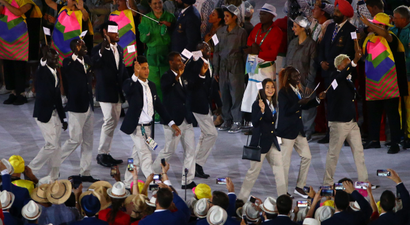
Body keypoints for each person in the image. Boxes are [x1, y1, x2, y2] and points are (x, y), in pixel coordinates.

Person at [120, 55, 181, 187]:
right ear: (137, 70)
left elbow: (159, 106)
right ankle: (154, 182)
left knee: (135, 158)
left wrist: (172, 123)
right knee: (146, 156)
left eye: (147, 68)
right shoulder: (132, 84)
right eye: (143, 68)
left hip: (148, 129)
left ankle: (126, 183)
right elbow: (127, 89)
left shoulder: (152, 86)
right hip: (136, 128)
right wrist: (135, 75)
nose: (147, 71)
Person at [360, 12, 408, 154]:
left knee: (392, 114)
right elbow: (364, 56)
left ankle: (395, 143)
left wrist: (370, 25)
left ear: (383, 26)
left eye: (376, 25)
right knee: (374, 113)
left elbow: (385, 35)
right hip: (374, 83)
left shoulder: (390, 37)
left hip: (390, 84)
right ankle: (374, 140)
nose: (372, 28)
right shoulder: (370, 39)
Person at [277, 66, 325, 198]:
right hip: (286, 132)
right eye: (295, 76)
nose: (299, 78)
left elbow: (303, 105)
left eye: (299, 75)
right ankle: (282, 193)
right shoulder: (283, 92)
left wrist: (317, 100)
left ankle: (299, 186)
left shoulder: (296, 90)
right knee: (285, 164)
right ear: (288, 78)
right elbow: (286, 111)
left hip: (298, 130)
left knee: (307, 157)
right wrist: (299, 103)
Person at [323, 52, 369, 186]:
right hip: (338, 124)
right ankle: (327, 182)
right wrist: (354, 62)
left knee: (359, 152)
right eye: (347, 62)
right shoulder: (334, 77)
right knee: (333, 154)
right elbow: (341, 76)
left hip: (351, 122)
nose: (349, 64)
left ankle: (363, 181)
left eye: (350, 62)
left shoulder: (347, 79)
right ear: (339, 65)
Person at [153, 51, 196, 189]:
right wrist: (178, 75)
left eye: (181, 60)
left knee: (190, 150)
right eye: (178, 60)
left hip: (186, 119)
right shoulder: (166, 76)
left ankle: (187, 180)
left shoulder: (184, 76)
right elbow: (166, 88)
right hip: (172, 121)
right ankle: (153, 173)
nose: (181, 63)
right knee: (168, 151)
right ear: (171, 62)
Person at [238, 78, 287, 200]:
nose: (271, 89)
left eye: (272, 87)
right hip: (260, 144)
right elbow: (254, 123)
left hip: (272, 142)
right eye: (267, 87)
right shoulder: (257, 104)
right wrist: (262, 111)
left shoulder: (273, 104)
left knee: (279, 171)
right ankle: (241, 199)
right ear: (262, 89)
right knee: (252, 173)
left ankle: (283, 198)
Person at [317, 0, 356, 144]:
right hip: (328, 74)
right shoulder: (331, 27)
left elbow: (349, 53)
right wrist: (322, 62)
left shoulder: (351, 30)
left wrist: (335, 65)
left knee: (343, 104)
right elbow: (322, 47)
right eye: (335, 11)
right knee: (330, 104)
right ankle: (331, 133)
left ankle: (346, 136)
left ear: (345, 14)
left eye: (338, 12)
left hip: (342, 75)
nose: (334, 14)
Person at [60, 39, 98, 183]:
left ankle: (85, 172)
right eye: (82, 45)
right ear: (75, 48)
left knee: (88, 140)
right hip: (76, 106)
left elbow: (94, 65)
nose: (85, 47)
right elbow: (67, 70)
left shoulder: (87, 59)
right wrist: (75, 55)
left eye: (85, 44)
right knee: (75, 139)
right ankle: (55, 163)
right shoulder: (68, 61)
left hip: (88, 104)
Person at [28, 46, 67, 181]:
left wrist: (63, 118)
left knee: (57, 147)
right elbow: (41, 67)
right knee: (51, 145)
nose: (57, 61)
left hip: (55, 114)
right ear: (46, 59)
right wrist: (43, 59)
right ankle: (31, 169)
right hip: (44, 114)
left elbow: (57, 98)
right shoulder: (42, 71)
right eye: (54, 59)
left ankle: (53, 176)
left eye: (57, 59)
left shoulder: (54, 71)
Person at [93, 21, 128, 167]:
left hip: (117, 91)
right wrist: (104, 47)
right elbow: (96, 64)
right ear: (105, 32)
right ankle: (101, 154)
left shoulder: (119, 48)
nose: (117, 33)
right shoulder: (98, 49)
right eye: (113, 31)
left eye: (117, 30)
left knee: (113, 122)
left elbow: (121, 69)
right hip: (105, 91)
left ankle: (106, 153)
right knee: (109, 121)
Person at [186, 42, 221, 179]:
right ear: (198, 51)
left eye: (208, 48)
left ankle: (194, 164)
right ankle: (198, 164)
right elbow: (191, 85)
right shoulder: (194, 64)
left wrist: (219, 104)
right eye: (204, 48)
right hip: (197, 104)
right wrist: (201, 75)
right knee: (212, 134)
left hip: (205, 105)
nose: (207, 50)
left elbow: (211, 86)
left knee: (205, 135)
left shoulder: (208, 62)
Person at [241, 4, 283, 117]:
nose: (260, 16)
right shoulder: (257, 27)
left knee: (266, 93)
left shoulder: (276, 31)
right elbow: (250, 41)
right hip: (253, 67)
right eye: (260, 14)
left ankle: (266, 119)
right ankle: (253, 120)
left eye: (263, 14)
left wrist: (257, 51)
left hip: (266, 69)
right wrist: (253, 47)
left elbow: (273, 54)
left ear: (271, 16)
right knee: (252, 92)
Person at [0, 0, 41, 105]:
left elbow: (18, 12)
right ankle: (13, 92)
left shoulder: (27, 2)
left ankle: (21, 94)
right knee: (8, 66)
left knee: (19, 67)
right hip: (6, 37)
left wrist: (5, 3)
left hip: (20, 39)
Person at [214, 4, 247, 133]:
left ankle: (237, 120)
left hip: (236, 65)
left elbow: (244, 52)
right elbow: (216, 51)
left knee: (236, 94)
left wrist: (246, 71)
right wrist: (216, 69)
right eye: (225, 16)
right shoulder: (219, 32)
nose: (225, 18)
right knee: (225, 94)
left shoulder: (241, 33)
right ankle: (227, 119)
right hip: (222, 66)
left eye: (228, 16)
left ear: (235, 17)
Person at [286, 16, 318, 141]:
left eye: (295, 26)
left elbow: (313, 66)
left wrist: (310, 83)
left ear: (303, 28)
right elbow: (287, 62)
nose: (293, 29)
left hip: (305, 81)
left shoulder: (311, 45)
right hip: (291, 82)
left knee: (307, 108)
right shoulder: (293, 43)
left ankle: (307, 131)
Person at [138, 0, 176, 102]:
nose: (158, 5)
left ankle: (167, 112)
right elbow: (142, 39)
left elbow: (176, 37)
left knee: (167, 85)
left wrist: (168, 29)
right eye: (154, 3)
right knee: (154, 86)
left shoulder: (170, 17)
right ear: (150, 5)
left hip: (166, 55)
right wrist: (147, 34)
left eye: (159, 2)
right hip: (152, 57)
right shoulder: (146, 19)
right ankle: (157, 113)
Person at [46, 0, 94, 64]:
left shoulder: (82, 12)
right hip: (59, 45)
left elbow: (85, 17)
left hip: (74, 48)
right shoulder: (64, 8)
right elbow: (49, 2)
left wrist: (81, 8)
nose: (67, 1)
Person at [390, 6, 410, 148]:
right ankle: (400, 135)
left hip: (408, 74)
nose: (393, 20)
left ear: (403, 19)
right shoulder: (392, 31)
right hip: (394, 75)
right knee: (397, 107)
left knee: (408, 106)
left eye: (395, 18)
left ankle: (409, 135)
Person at [109, 0, 140, 73]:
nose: (117, 2)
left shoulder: (131, 13)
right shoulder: (112, 15)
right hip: (118, 53)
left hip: (132, 54)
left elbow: (133, 8)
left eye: (119, 1)